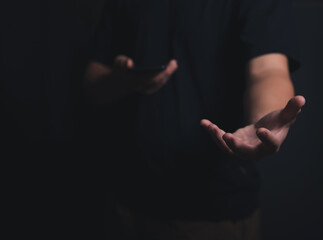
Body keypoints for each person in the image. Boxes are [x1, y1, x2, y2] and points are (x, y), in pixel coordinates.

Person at [83, 0, 306, 239]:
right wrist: (124, 81)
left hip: (211, 213)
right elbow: (92, 84)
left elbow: (268, 70)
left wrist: (266, 119)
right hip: (122, 201)